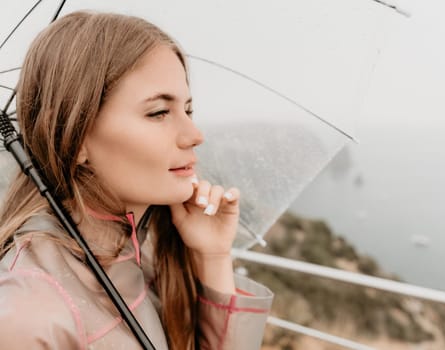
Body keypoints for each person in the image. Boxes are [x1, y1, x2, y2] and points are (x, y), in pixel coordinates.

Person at [0, 11, 273, 350]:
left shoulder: (148, 256)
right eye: (159, 112)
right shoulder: (29, 316)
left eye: (187, 110)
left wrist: (214, 258)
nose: (194, 134)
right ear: (75, 136)